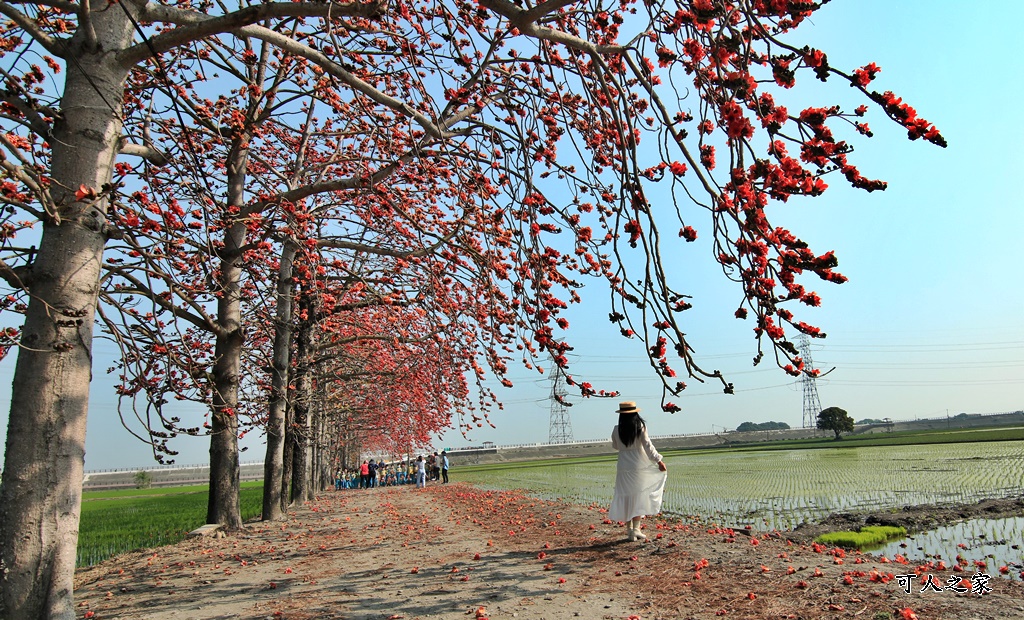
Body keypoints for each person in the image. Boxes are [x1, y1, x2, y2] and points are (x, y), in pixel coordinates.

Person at [608, 401, 667, 542]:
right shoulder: (640, 427)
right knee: (638, 496)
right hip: (638, 465)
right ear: (635, 414)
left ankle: (629, 531)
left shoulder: (616, 429)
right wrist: (659, 461)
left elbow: (615, 446)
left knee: (626, 496)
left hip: (623, 466)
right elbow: (648, 446)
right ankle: (636, 529)